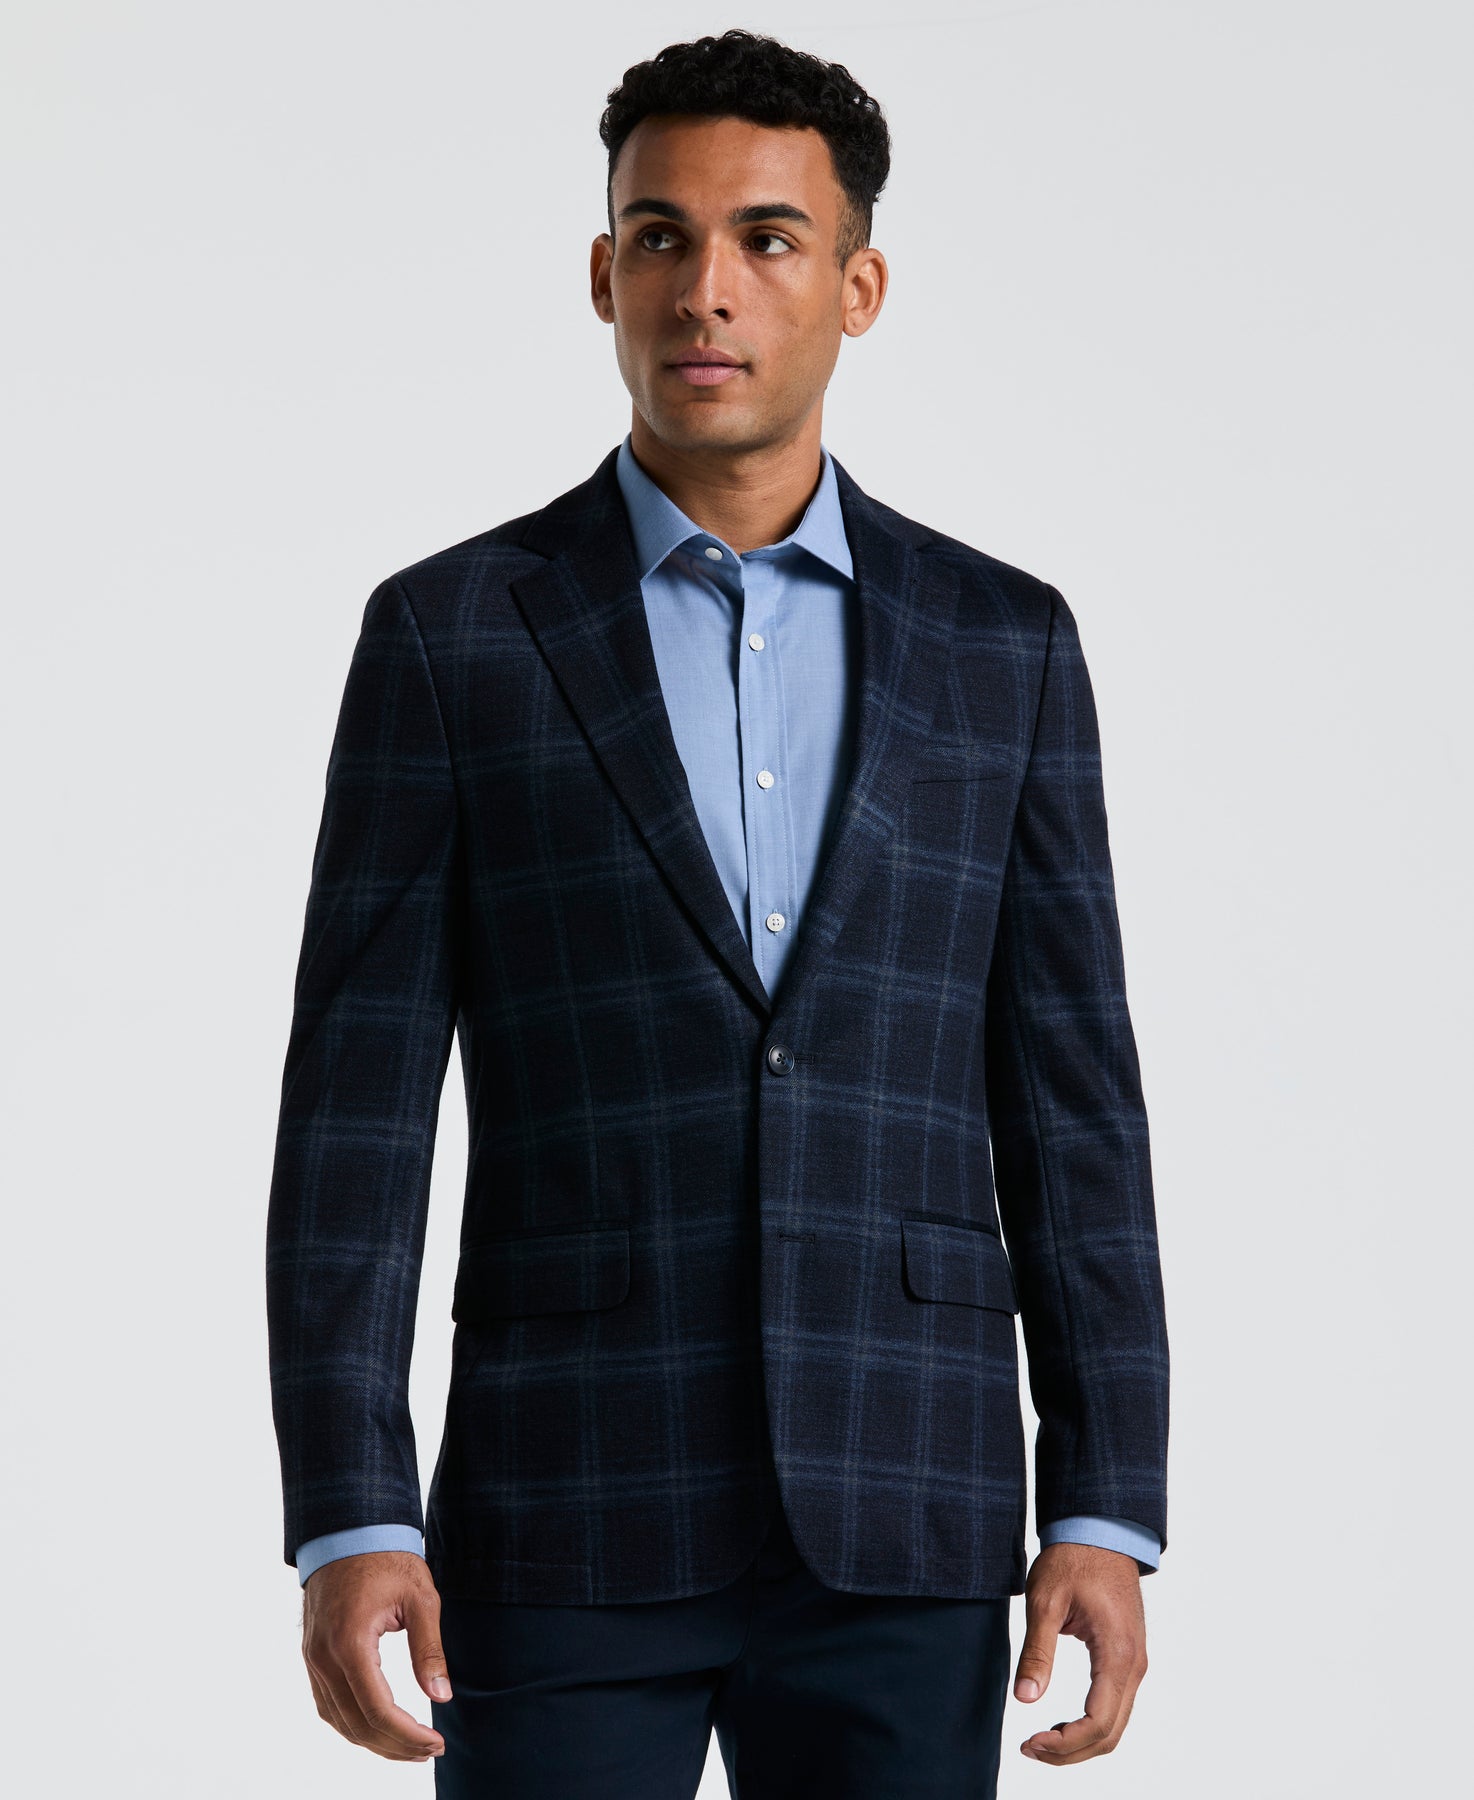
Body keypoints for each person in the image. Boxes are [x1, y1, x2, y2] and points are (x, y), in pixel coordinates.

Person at [265, 28, 1169, 1797]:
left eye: (766, 238)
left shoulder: (1001, 644)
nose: (707, 289)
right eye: (660, 237)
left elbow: (1074, 1103)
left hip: (906, 1502)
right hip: (563, 1502)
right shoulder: (455, 635)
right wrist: (350, 1508)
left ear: (856, 286)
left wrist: (1103, 1497)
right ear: (604, 274)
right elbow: (354, 1115)